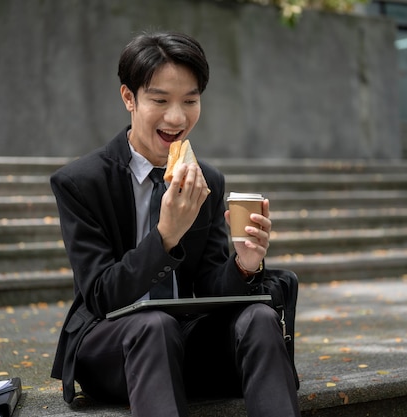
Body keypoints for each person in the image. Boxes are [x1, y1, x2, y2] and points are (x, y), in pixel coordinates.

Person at [50, 31, 299, 417]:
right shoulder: (82, 183)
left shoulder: (205, 181)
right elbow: (100, 295)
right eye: (160, 100)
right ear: (129, 98)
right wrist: (166, 235)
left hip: (184, 340)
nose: (177, 117)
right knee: (153, 325)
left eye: (190, 100)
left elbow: (207, 285)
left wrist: (244, 265)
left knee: (260, 318)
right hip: (112, 345)